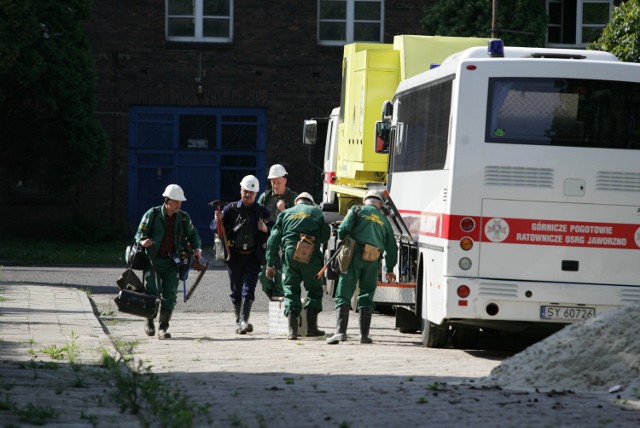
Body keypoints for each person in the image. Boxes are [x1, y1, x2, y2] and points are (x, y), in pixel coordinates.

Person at [326, 190, 397, 345]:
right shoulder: (385, 221)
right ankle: (364, 336)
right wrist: (390, 269)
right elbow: (392, 248)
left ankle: (340, 333)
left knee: (344, 292)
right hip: (373, 260)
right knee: (366, 295)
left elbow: (343, 230)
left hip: (354, 257)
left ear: (366, 201)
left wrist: (345, 237)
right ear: (379, 204)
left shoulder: (357, 210)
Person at [135, 184, 203, 340]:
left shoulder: (184, 217)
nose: (179, 204)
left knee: (170, 294)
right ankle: (149, 322)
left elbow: (193, 234)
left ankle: (163, 328)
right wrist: (142, 241)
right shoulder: (152, 214)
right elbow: (140, 233)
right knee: (151, 291)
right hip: (153, 260)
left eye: (181, 201)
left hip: (173, 262)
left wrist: (198, 248)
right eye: (176, 201)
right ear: (167, 200)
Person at [265, 192, 330, 340]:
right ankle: (311, 328)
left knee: (290, 289)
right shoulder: (316, 212)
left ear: (296, 202)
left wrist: (270, 264)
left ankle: (292, 331)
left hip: (290, 254)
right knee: (314, 289)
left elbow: (273, 240)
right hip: (311, 254)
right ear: (311, 203)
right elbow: (325, 235)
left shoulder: (285, 214)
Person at [213, 175, 272, 334]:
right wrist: (217, 220)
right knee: (236, 289)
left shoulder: (262, 212)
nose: (247, 195)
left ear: (256, 194)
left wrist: (266, 229)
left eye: (251, 193)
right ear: (240, 191)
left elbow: (275, 230)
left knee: (249, 288)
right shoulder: (230, 209)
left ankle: (244, 320)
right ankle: (239, 321)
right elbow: (216, 228)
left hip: (253, 256)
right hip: (234, 256)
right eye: (245, 191)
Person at [257, 164, 298, 300]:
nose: (275, 185)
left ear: (285, 181)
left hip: (285, 242)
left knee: (282, 277)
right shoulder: (265, 197)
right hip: (267, 241)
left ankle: (279, 301)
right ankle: (272, 295)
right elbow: (256, 214)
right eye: (273, 182)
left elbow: (298, 221)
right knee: (264, 276)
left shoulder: (293, 198)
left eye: (278, 182)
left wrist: (284, 210)